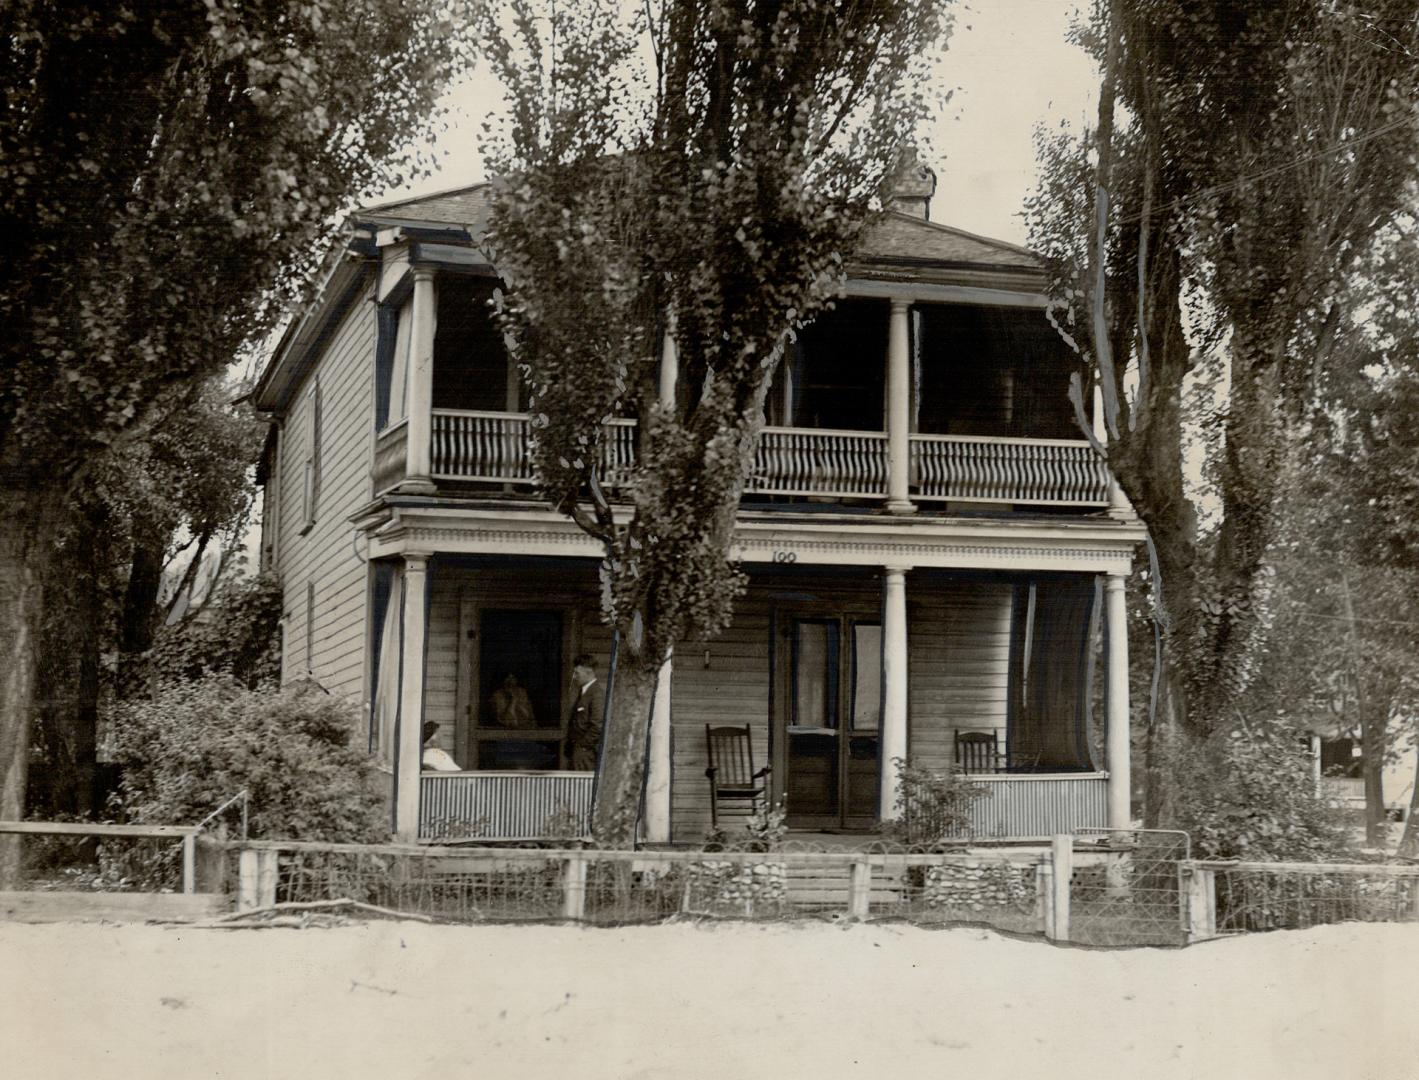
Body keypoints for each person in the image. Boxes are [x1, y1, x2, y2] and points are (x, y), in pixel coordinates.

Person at [563, 654, 603, 771]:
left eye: (577, 673)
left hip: (586, 753)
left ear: (588, 672)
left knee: (582, 787)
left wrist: (582, 746)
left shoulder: (596, 694)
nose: (574, 677)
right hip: (577, 752)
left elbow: (598, 725)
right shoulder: (583, 692)